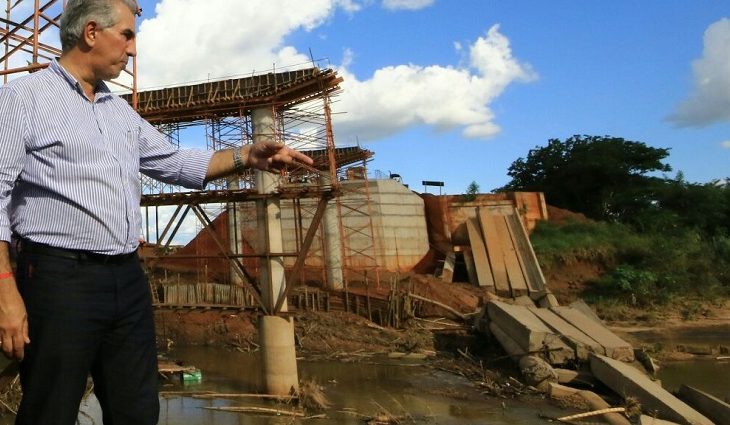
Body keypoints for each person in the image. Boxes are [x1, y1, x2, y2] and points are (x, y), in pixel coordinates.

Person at [0, 0, 313, 423]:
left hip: (126, 278)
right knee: (50, 410)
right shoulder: (23, 98)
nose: (132, 49)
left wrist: (247, 155)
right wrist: (5, 293)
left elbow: (176, 162)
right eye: (127, 35)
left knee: (138, 410)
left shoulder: (118, 112)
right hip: (59, 279)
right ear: (91, 32)